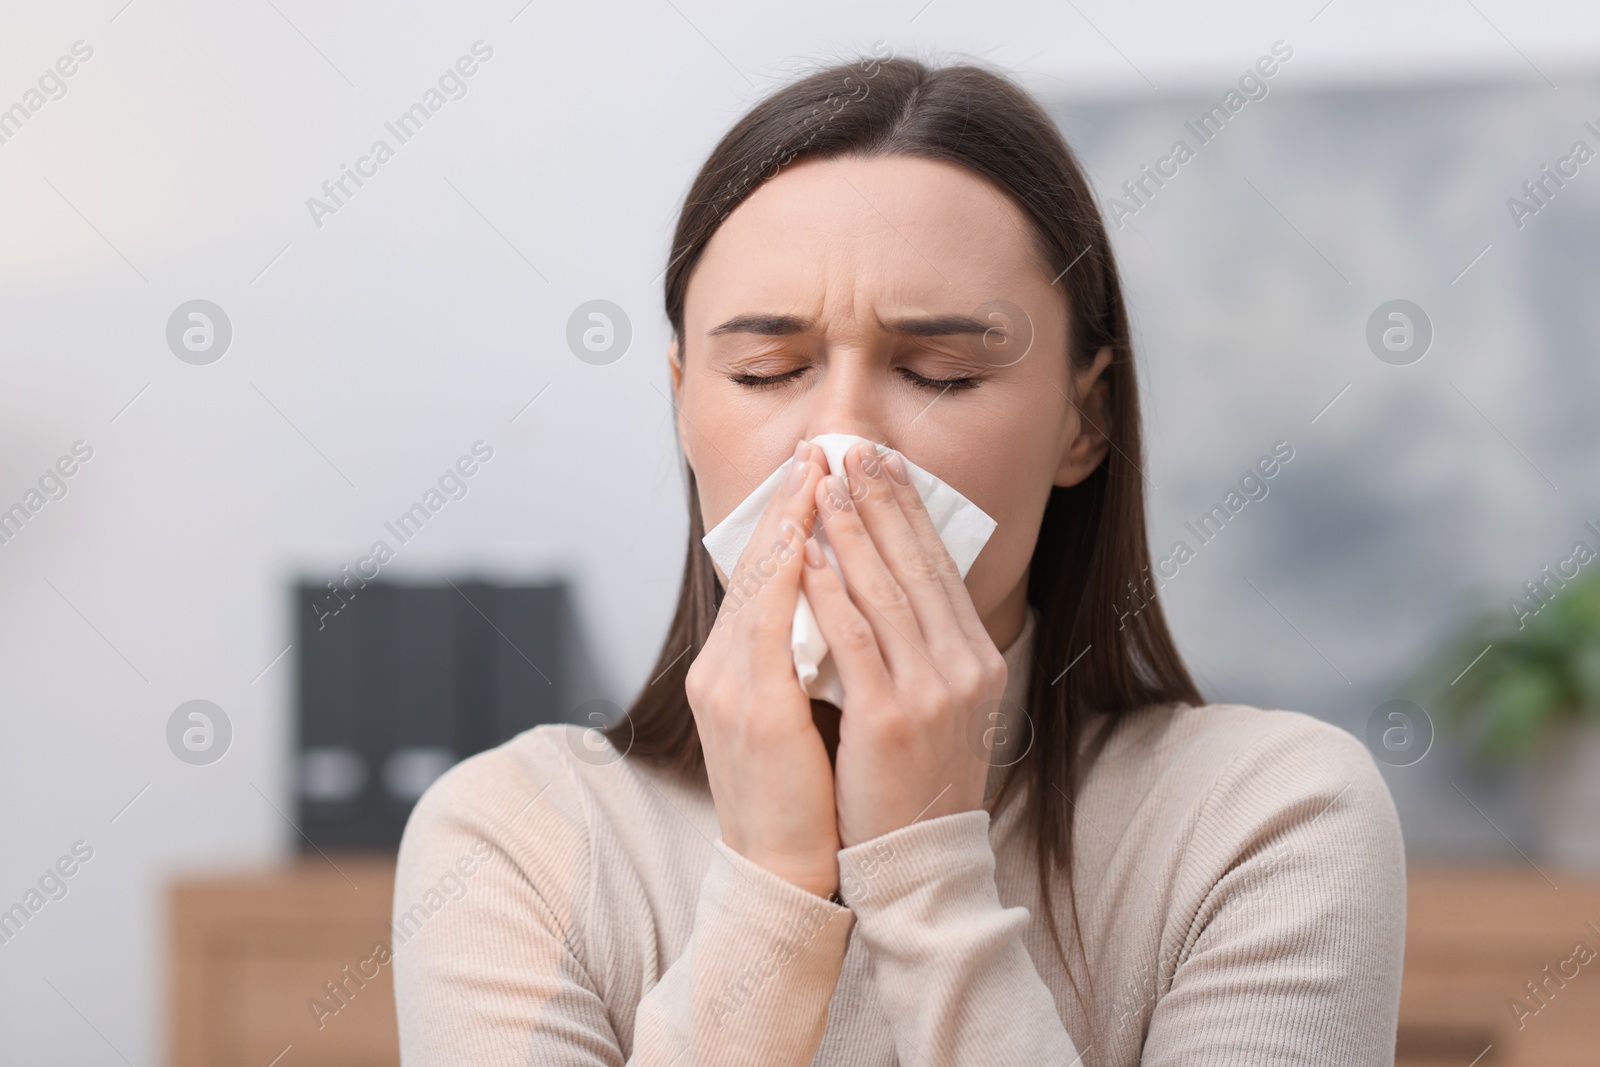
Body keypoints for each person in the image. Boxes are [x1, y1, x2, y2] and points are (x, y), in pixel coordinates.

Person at [393, 54, 1405, 1066]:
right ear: (682, 403)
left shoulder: (1264, 819)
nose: (840, 444)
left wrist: (923, 871)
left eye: (940, 374)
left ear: (1083, 419)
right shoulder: (517, 839)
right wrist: (770, 884)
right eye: (766, 371)